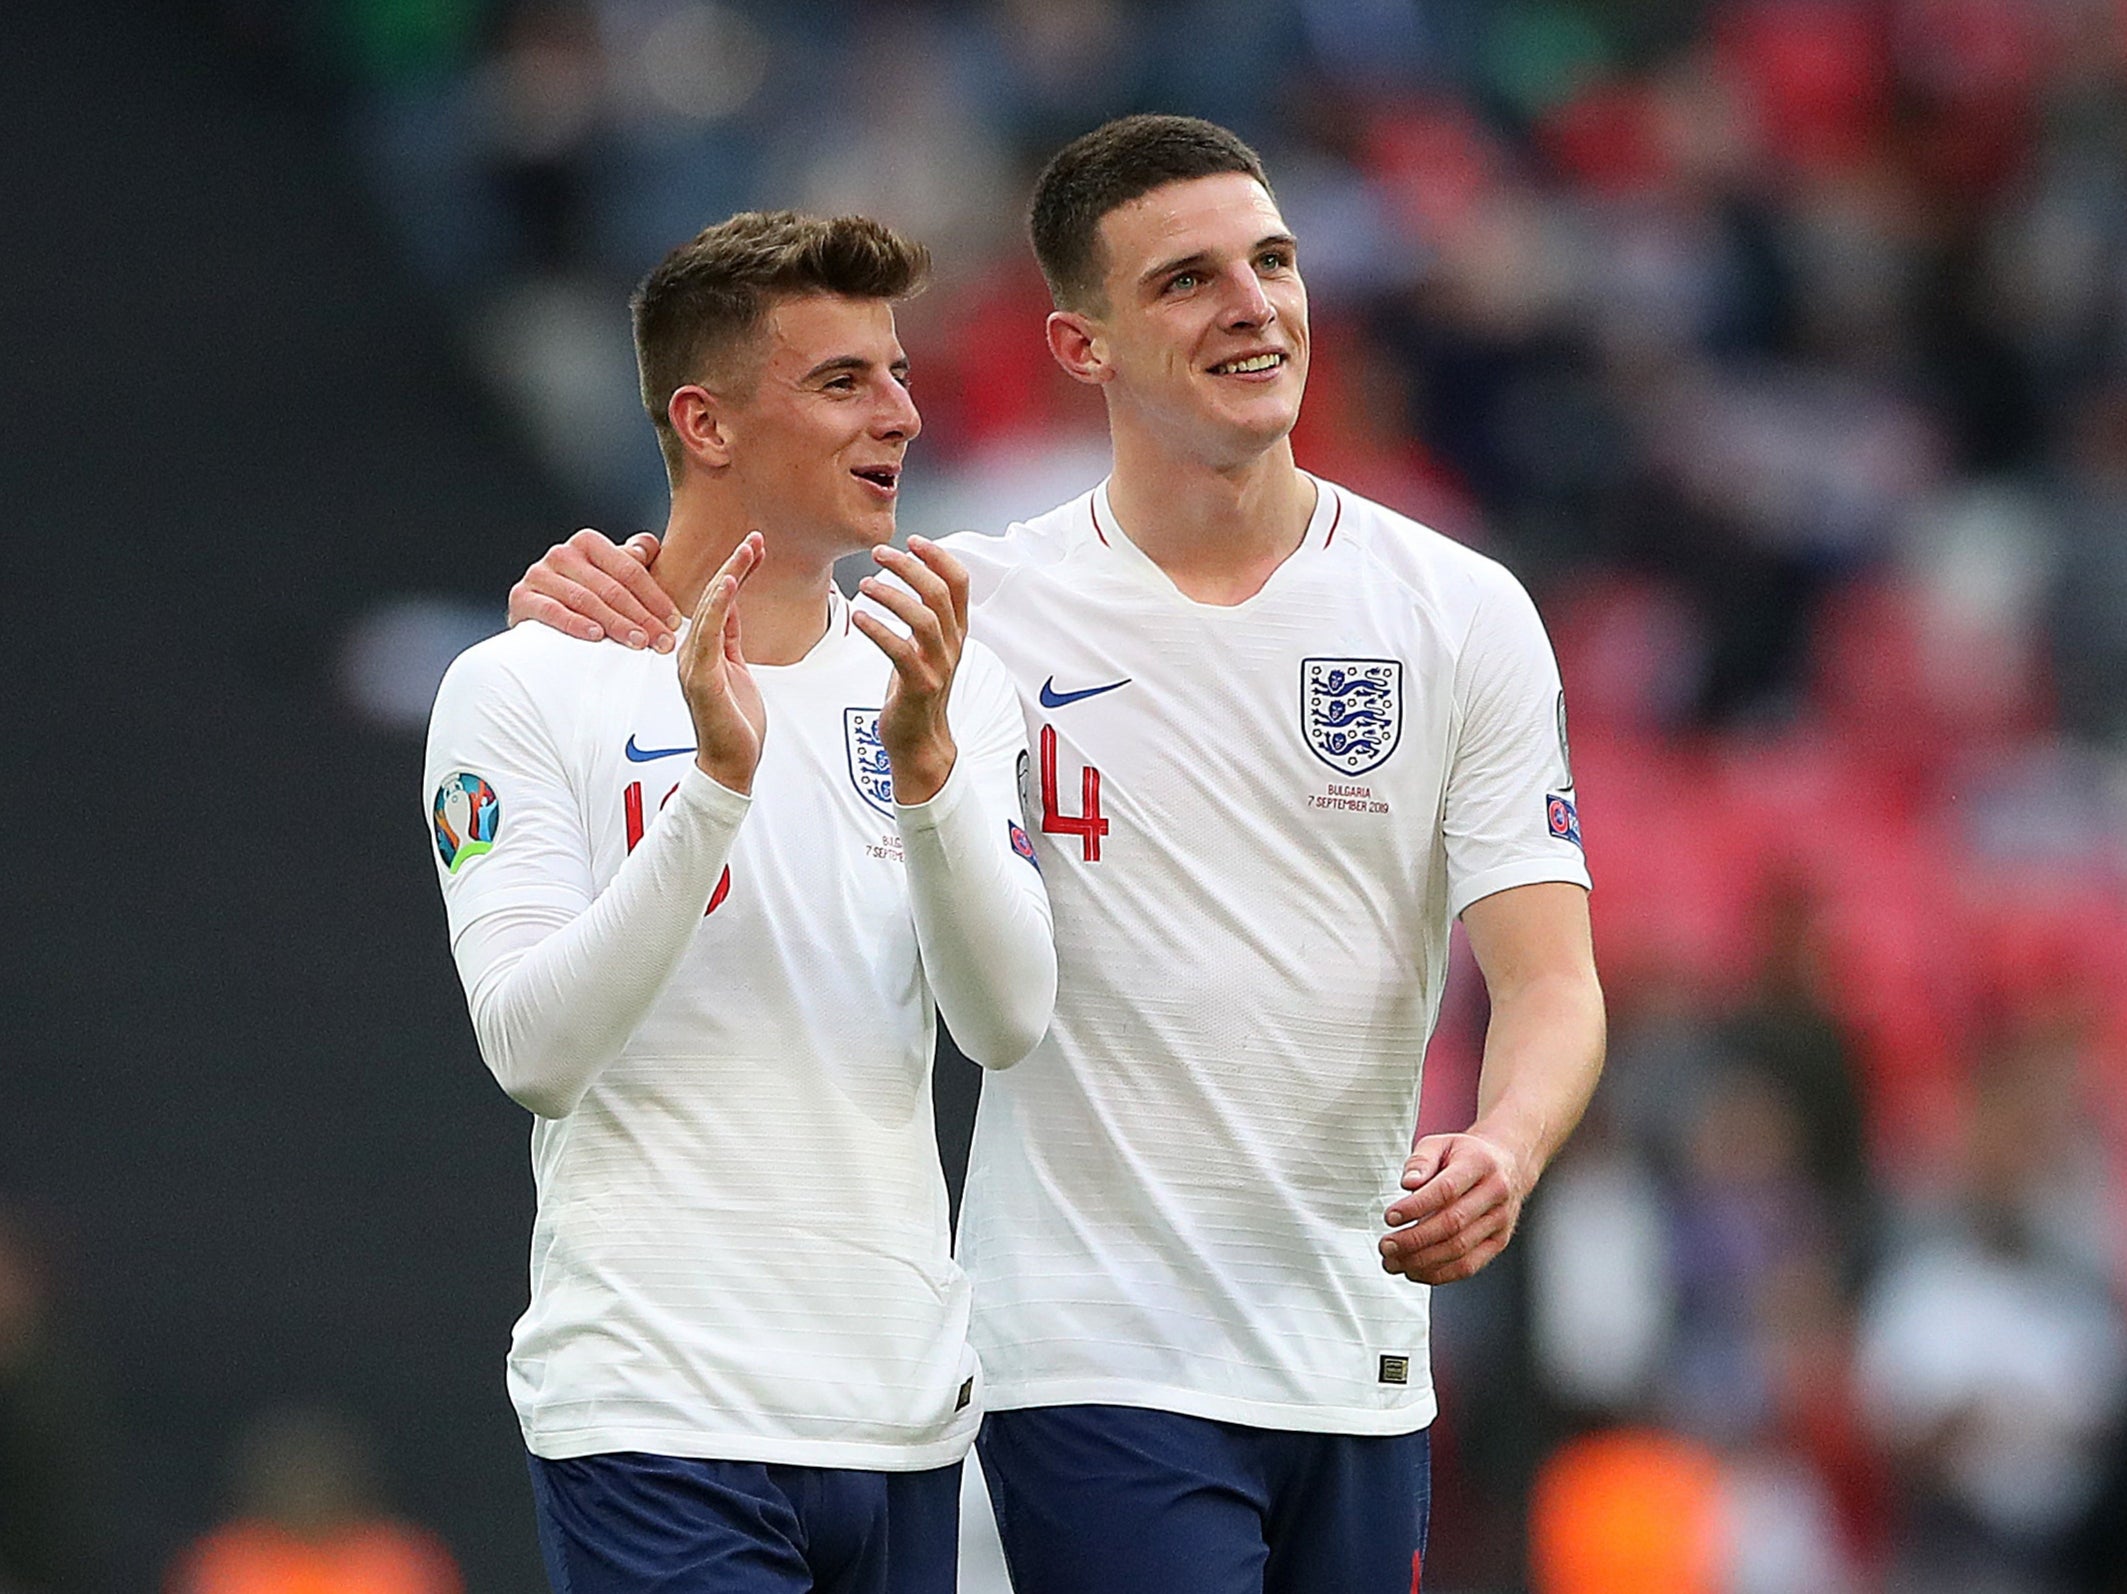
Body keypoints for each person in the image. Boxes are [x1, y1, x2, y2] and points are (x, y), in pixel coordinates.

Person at [508, 116, 1605, 1594]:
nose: (1253, 303)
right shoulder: (978, 611)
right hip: (1089, 1355)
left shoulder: (1457, 611)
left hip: (1357, 1346)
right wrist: (609, 575)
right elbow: (751, 598)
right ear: (1080, 349)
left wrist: (1509, 1143)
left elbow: (1550, 977)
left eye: (1274, 262)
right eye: (1188, 279)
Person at [425, 211, 1056, 1594]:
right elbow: (532, 1051)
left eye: (895, 372)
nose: (900, 409)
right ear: (704, 423)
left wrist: (934, 768)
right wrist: (714, 786)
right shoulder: (527, 685)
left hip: (899, 1407)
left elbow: (1005, 1021)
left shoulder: (943, 683)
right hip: (659, 1408)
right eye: (842, 381)